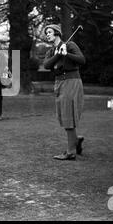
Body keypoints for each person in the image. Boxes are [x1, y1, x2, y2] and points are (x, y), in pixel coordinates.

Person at [43, 24, 86, 161]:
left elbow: (82, 60)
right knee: (63, 115)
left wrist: (66, 53)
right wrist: (57, 55)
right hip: (59, 83)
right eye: (46, 33)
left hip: (72, 81)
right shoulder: (51, 51)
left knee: (68, 115)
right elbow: (47, 65)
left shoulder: (70, 44)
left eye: (49, 32)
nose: (47, 35)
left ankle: (70, 152)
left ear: (57, 33)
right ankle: (76, 140)